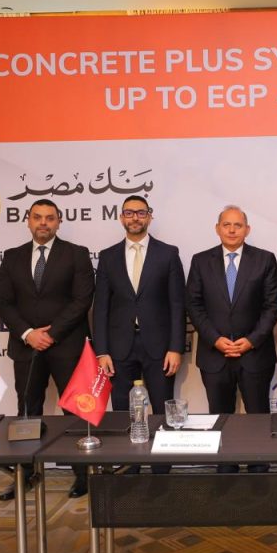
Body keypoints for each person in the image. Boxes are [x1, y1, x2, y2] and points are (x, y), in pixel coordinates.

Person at [0, 198, 95, 499]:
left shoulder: (76, 254)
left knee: (75, 412)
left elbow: (82, 299)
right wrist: (28, 334)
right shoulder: (12, 257)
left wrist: (51, 333)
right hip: (26, 347)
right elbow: (4, 302)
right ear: (28, 220)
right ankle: (26, 474)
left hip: (67, 345)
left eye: (49, 218)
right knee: (27, 411)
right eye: (37, 217)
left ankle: (83, 476)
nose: (43, 223)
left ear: (58, 222)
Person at [93, 195, 185, 474]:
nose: (135, 217)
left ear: (149, 216)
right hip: (119, 347)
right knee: (124, 412)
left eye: (141, 212)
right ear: (121, 217)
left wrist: (176, 347)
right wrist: (101, 350)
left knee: (161, 412)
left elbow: (177, 304)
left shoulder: (168, 253)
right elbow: (101, 307)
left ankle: (161, 474)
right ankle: (127, 472)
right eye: (129, 213)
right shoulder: (108, 256)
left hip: (159, 347)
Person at [186, 205, 277, 472]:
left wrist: (251, 340)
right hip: (214, 355)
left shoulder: (264, 260)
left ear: (247, 230)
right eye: (226, 225)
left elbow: (272, 306)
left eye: (237, 225)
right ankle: (225, 471)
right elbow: (194, 305)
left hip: (254, 354)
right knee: (220, 417)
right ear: (217, 229)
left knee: (258, 417)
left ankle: (259, 470)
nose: (231, 230)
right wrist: (215, 339)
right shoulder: (200, 261)